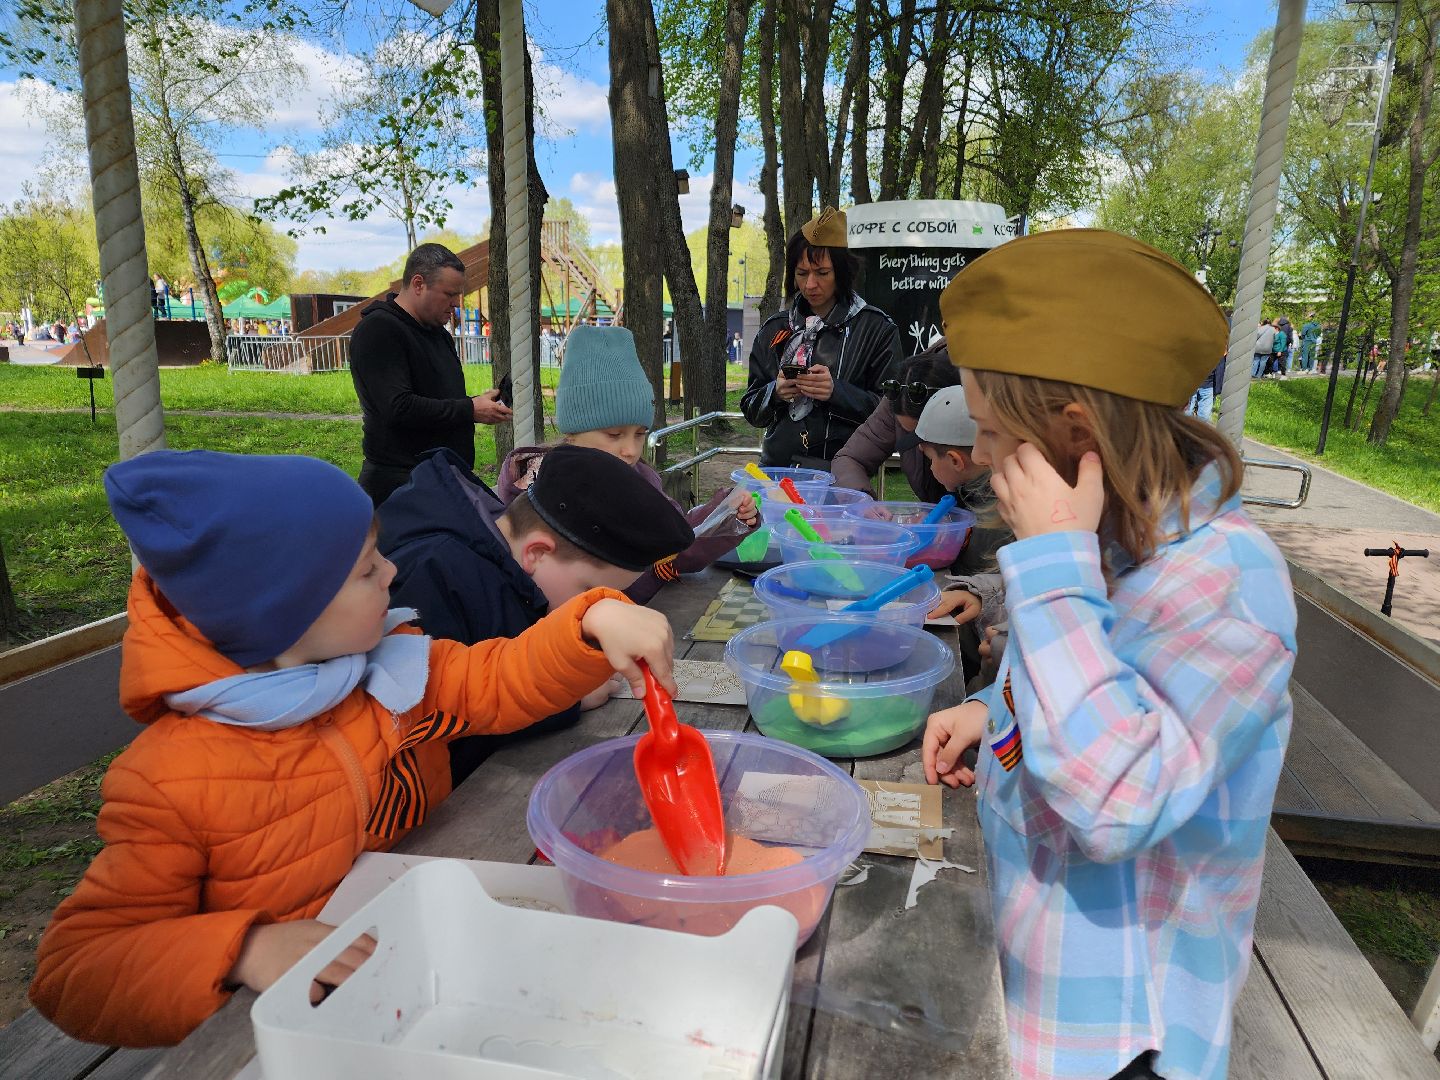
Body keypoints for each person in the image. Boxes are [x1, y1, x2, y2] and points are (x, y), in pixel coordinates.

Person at [28, 449, 676, 1048]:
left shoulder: (389, 670)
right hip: (276, 1028)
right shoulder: (171, 780)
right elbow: (75, 969)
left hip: (404, 957)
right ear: (286, 613)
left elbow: (500, 677)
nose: (394, 569)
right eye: (368, 568)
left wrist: (589, 623)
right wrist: (245, 949)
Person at [922, 229, 1297, 1080]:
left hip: (1119, 1036)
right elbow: (1085, 673)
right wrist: (994, 708)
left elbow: (1116, 804)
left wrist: (1053, 566)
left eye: (987, 430)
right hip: (1031, 970)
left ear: (1078, 431)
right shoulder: (1107, 536)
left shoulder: (1228, 588)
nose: (977, 456)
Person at [380, 442, 696, 785]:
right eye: (588, 590)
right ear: (537, 552)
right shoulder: (431, 576)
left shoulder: (506, 563)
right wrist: (564, 702)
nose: (593, 605)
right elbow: (432, 725)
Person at [495, 325, 760, 603]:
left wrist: (726, 516)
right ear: (572, 430)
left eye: (640, 434)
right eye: (613, 435)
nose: (630, 450)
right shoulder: (539, 495)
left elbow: (673, 548)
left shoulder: (641, 478)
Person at [350, 243, 513, 506]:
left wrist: (478, 403)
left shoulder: (437, 333)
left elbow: (434, 397)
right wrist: (468, 409)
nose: (456, 305)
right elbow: (398, 407)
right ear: (418, 284)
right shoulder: (379, 330)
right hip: (403, 484)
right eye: (449, 294)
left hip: (442, 476)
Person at [740, 207, 902, 469]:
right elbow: (750, 407)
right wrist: (775, 393)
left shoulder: (876, 329)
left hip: (842, 476)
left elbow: (893, 412)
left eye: (822, 273)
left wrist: (837, 392)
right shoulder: (775, 328)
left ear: (842, 273)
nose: (810, 285)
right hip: (776, 473)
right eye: (802, 273)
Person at [831, 342, 961, 503]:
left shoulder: (990, 388)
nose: (921, 448)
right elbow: (851, 458)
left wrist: (953, 519)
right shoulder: (905, 390)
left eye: (924, 438)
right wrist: (862, 504)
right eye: (911, 436)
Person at [1187, 357, 1224, 421]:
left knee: (1204, 417)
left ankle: (1198, 430)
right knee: (1186, 414)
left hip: (1208, 384)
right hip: (1190, 382)